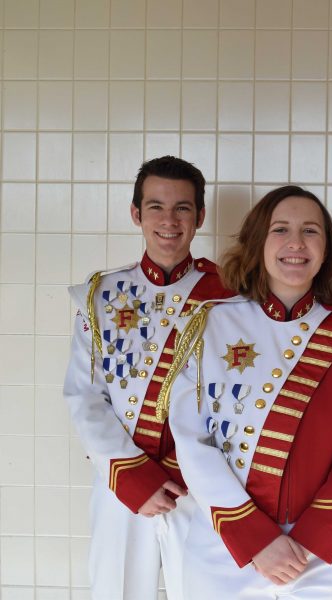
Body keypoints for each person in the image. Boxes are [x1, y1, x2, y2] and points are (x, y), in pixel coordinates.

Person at [163, 185, 332, 598]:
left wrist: (314, 538)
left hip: (323, 553)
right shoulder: (210, 324)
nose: (296, 243)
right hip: (226, 545)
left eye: (311, 231)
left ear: (327, 249)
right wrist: (254, 537)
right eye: (280, 229)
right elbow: (191, 439)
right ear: (258, 242)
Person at [63, 156, 232, 600]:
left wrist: (187, 471)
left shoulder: (230, 296)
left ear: (200, 215)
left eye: (182, 208)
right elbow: (84, 396)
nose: (169, 220)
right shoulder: (101, 293)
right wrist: (133, 477)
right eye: (156, 206)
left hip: (199, 485)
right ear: (136, 213)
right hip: (122, 481)